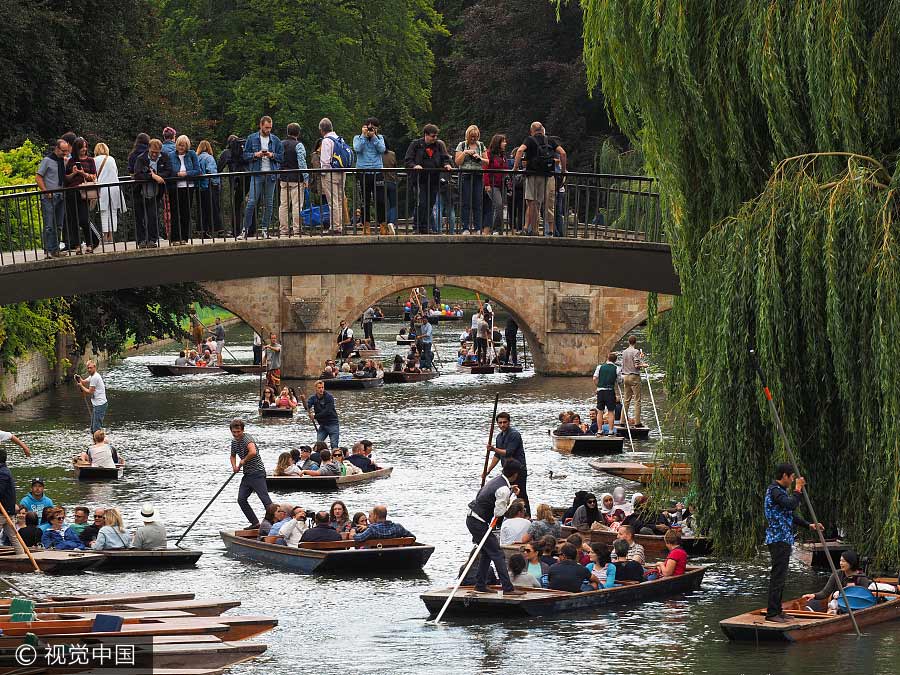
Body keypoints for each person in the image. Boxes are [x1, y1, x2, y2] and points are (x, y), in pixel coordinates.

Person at [764, 462, 823, 623]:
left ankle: (777, 610)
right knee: (777, 576)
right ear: (784, 476)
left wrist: (809, 525)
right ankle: (772, 613)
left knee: (781, 577)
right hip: (778, 539)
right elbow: (791, 504)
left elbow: (790, 514)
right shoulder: (774, 491)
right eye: (791, 477)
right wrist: (798, 489)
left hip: (783, 539)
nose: (792, 480)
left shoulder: (780, 492)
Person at [465, 459, 525, 595]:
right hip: (477, 522)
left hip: (473, 519)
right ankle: (508, 589)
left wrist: (510, 491)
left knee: (487, 552)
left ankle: (480, 585)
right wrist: (511, 498)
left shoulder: (497, 481)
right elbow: (499, 513)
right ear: (515, 475)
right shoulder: (503, 489)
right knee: (497, 553)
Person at [512, 122, 567, 236]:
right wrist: (563, 170)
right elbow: (563, 153)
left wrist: (515, 168)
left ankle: (533, 230)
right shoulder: (550, 140)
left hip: (532, 175)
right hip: (546, 176)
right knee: (544, 203)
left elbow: (519, 151)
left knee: (532, 202)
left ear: (532, 131)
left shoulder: (529, 140)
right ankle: (549, 231)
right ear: (542, 130)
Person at [404, 124, 452, 234]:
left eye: (436, 136)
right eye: (432, 136)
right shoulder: (416, 145)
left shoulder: (438, 146)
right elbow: (408, 159)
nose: (435, 138)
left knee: (430, 203)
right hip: (419, 179)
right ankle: (417, 226)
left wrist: (446, 164)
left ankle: (426, 226)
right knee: (422, 202)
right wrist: (414, 166)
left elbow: (445, 158)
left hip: (434, 179)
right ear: (426, 135)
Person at [242, 116, 284, 238]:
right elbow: (245, 156)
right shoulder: (251, 138)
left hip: (271, 174)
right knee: (251, 202)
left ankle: (265, 229)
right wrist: (256, 154)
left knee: (269, 204)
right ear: (260, 125)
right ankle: (245, 229)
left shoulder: (275, 140)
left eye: (270, 128)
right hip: (257, 173)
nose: (268, 130)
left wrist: (272, 155)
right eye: (266, 127)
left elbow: (281, 157)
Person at [229, 418, 273, 529]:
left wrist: (244, 460)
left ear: (242, 430)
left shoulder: (247, 439)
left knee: (265, 500)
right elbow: (232, 455)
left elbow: (253, 452)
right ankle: (255, 523)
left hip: (257, 473)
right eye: (234, 432)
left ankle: (274, 523)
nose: (236, 434)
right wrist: (234, 467)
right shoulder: (234, 441)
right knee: (241, 499)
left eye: (238, 432)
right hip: (247, 474)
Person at [485, 412, 530, 516]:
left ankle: (527, 516)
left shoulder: (514, 434)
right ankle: (508, 516)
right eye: (500, 423)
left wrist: (493, 448)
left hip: (518, 470)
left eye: (504, 422)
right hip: (507, 471)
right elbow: (497, 455)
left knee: (521, 494)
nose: (502, 425)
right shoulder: (499, 437)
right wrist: (488, 471)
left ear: (509, 422)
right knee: (507, 494)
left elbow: (509, 452)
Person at [132, 138, 173, 248]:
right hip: (140, 192)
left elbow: (169, 171)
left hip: (156, 192)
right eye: (152, 152)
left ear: (160, 150)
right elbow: (138, 175)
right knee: (140, 217)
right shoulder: (141, 159)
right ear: (149, 149)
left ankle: (152, 239)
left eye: (157, 152)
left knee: (153, 216)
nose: (154, 154)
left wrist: (158, 176)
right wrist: (153, 176)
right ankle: (141, 240)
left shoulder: (164, 157)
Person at [802, 550, 872, 613]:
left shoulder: (862, 578)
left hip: (853, 606)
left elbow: (862, 597)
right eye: (840, 560)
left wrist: (843, 594)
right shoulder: (837, 574)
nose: (841, 563)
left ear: (851, 563)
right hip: (835, 603)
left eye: (844, 561)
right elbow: (825, 592)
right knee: (813, 602)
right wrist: (813, 595)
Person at [36, 138, 70, 258]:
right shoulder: (47, 160)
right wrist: (46, 191)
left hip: (61, 195)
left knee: (59, 224)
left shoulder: (62, 161)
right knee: (49, 225)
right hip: (49, 196)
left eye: (66, 151)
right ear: (56, 148)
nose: (65, 153)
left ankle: (55, 249)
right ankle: (48, 251)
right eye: (63, 151)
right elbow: (38, 177)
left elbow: (63, 176)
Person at [353, 117, 387, 233]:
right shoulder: (357, 138)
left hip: (377, 172)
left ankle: (382, 224)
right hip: (363, 172)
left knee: (380, 200)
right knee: (364, 200)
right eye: (368, 127)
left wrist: (374, 137)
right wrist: (363, 136)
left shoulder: (379, 138)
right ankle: (366, 225)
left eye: (373, 128)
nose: (370, 130)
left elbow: (382, 149)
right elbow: (357, 149)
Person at [168, 135, 202, 244]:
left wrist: (186, 174)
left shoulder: (191, 154)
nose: (181, 147)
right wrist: (177, 174)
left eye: (183, 145)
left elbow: (197, 170)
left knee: (185, 213)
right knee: (175, 213)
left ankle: (184, 237)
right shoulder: (171, 155)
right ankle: (175, 238)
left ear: (187, 146)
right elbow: (168, 172)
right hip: (175, 187)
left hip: (188, 187)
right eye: (179, 145)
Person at [454, 125, 486, 234]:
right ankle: (465, 227)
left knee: (477, 202)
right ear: (468, 135)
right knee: (465, 202)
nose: (473, 139)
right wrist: (465, 153)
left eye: (475, 137)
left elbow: (487, 161)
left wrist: (479, 157)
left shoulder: (481, 145)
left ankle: (478, 227)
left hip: (478, 175)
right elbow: (457, 162)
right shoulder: (462, 145)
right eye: (471, 136)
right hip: (465, 175)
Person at [278, 123, 309, 237]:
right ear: (298, 133)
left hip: (283, 178)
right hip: (296, 178)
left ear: (287, 132)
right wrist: (306, 177)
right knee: (297, 205)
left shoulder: (280, 144)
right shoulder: (298, 145)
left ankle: (284, 229)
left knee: (284, 205)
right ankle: (297, 229)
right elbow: (302, 162)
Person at [319, 118, 348, 234]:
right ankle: (339, 225)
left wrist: (322, 173)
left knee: (332, 201)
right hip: (342, 172)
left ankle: (335, 227)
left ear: (321, 130)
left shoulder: (326, 141)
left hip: (331, 174)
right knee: (339, 200)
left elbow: (325, 161)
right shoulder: (340, 139)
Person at [92, 143, 125, 243]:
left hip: (102, 188)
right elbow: (116, 172)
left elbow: (94, 175)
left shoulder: (94, 160)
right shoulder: (111, 159)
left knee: (104, 212)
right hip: (114, 187)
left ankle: (105, 237)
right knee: (113, 212)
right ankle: (111, 236)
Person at [218, 134, 250, 235]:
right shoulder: (244, 150)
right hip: (248, 178)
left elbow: (219, 168)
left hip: (236, 181)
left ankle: (236, 230)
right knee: (250, 204)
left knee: (236, 206)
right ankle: (249, 229)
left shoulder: (227, 152)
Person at [196, 140, 223, 237]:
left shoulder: (197, 157)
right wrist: (217, 183)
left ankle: (202, 231)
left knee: (202, 209)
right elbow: (211, 171)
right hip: (209, 185)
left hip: (200, 186)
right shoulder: (209, 157)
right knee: (214, 208)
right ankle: (219, 230)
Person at [483, 134, 508, 235]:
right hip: (493, 184)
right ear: (498, 143)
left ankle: (498, 229)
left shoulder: (502, 155)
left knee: (500, 207)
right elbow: (485, 170)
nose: (505, 144)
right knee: (499, 204)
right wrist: (487, 184)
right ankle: (496, 229)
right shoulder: (489, 154)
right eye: (503, 141)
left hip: (502, 184)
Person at [74, 360, 108, 434]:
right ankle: (96, 440)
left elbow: (90, 391)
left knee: (96, 428)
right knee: (93, 428)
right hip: (97, 405)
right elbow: (84, 381)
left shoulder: (95, 377)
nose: (89, 370)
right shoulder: (92, 376)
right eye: (88, 368)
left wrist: (81, 386)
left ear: (94, 367)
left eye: (90, 368)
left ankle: (99, 443)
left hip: (100, 405)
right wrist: (79, 379)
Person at [0, 449, 23, 552]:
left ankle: (22, 557)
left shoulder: (2, 473)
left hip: (3, 512)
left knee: (14, 537)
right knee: (14, 538)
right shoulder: (5, 470)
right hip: (7, 511)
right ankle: (21, 555)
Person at [307, 380, 340, 447]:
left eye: (322, 387)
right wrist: (306, 404)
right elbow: (307, 406)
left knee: (334, 444)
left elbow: (327, 411)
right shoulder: (313, 398)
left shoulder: (329, 397)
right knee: (318, 444)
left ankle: (335, 456)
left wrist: (315, 416)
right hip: (323, 425)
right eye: (319, 388)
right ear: (316, 388)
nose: (321, 389)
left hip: (332, 424)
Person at [593, 352, 619, 433]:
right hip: (610, 391)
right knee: (611, 411)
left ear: (607, 359)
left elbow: (594, 378)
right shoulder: (617, 368)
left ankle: (599, 430)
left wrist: (598, 386)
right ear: (615, 360)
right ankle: (611, 431)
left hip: (600, 391)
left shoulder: (600, 367)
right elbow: (619, 380)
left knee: (600, 411)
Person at [621, 335, 644, 426]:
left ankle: (622, 421)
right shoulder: (636, 351)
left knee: (626, 400)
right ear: (636, 342)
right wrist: (644, 365)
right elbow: (636, 365)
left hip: (625, 377)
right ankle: (637, 422)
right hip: (634, 377)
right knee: (637, 400)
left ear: (628, 342)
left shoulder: (624, 352)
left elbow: (625, 364)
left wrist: (640, 358)